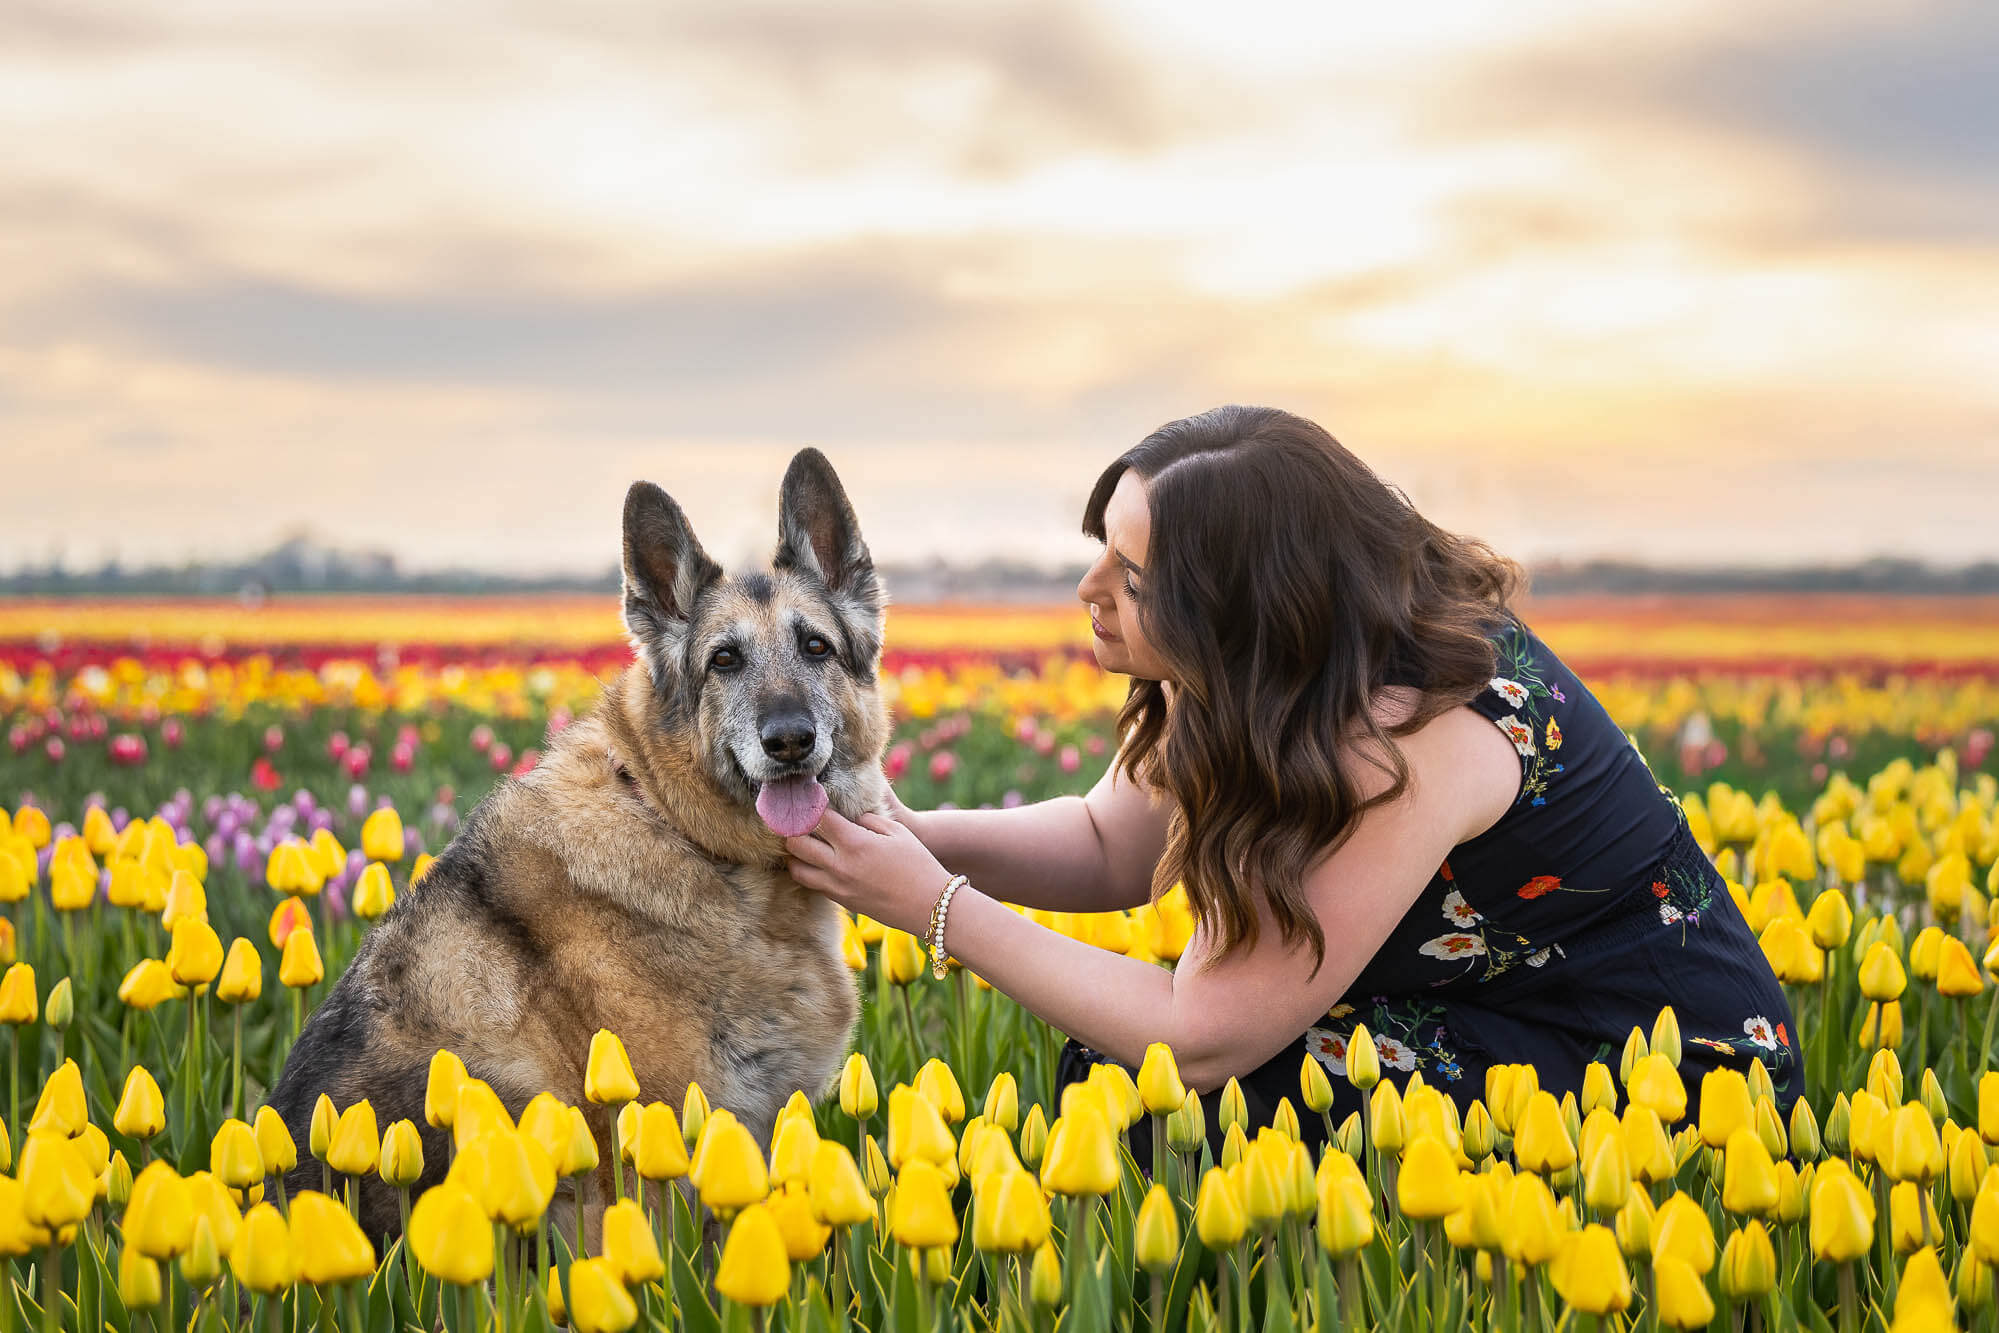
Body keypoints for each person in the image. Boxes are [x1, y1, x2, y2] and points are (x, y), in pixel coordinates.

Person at [785, 404, 1798, 1154]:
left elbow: (1197, 1038)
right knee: (1136, 1087)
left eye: (1132, 581)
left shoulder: (1410, 732)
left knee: (1182, 1097)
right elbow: (1112, 845)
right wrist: (903, 832)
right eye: (1104, 551)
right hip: (1476, 1013)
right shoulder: (1257, 670)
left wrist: (932, 908)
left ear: (1243, 610)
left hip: (1658, 1073)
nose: (1089, 592)